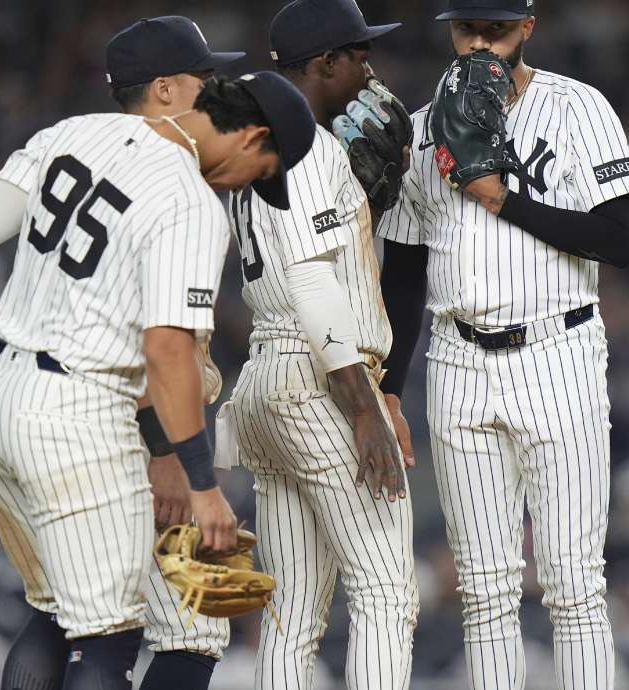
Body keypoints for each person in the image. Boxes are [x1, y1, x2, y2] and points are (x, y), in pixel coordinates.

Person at [0, 70, 316, 689]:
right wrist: (201, 483)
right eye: (262, 169)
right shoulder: (189, 201)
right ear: (252, 137)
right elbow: (167, 351)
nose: (249, 184)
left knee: (53, 614)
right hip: (79, 417)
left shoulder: (72, 132)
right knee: (107, 634)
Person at [376, 1, 629, 688]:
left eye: (493, 29)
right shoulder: (421, 127)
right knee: (484, 589)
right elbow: (403, 275)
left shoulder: (577, 108)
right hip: (457, 360)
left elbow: (618, 240)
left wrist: (502, 199)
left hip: (558, 352)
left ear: (527, 28)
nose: (477, 43)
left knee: (573, 583)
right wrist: (386, 387)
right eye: (465, 28)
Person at [212, 1, 417, 688]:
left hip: (270, 378)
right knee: (387, 590)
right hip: (318, 374)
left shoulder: (259, 140)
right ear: (324, 64)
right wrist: (364, 404)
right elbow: (310, 282)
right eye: (358, 55)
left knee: (293, 612)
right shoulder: (305, 147)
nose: (369, 67)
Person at [102, 16, 246, 690]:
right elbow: (159, 342)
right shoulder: (172, 186)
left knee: (86, 624)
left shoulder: (88, 161)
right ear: (164, 89)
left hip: (65, 416)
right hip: (140, 426)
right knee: (193, 630)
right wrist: (169, 456)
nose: (212, 89)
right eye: (201, 78)